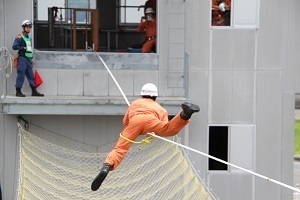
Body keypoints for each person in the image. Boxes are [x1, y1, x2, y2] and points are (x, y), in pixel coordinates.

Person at [91, 83, 200, 191]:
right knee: (169, 130)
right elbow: (165, 127)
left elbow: (125, 121)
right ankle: (184, 115)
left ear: (142, 95)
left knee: (120, 148)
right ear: (155, 96)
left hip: (135, 121)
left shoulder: (134, 103)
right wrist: (152, 131)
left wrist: (133, 130)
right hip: (151, 120)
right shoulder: (161, 109)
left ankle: (106, 167)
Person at [12, 20, 44, 97]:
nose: (29, 29)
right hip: (22, 59)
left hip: (28, 59)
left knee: (31, 75)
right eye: (27, 27)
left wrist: (31, 57)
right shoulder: (19, 37)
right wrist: (23, 47)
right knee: (21, 75)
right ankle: (18, 91)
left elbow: (29, 48)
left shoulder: (29, 38)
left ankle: (34, 91)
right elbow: (14, 46)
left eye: (29, 27)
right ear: (23, 27)